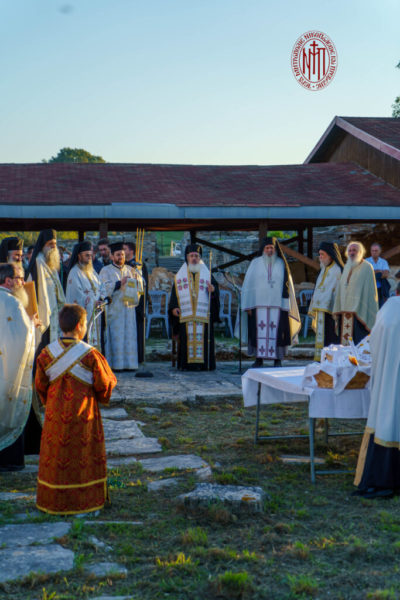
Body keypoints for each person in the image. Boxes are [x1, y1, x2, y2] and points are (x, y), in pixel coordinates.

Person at [35, 304, 116, 515]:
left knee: (56, 457)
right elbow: (105, 384)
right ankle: (86, 501)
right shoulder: (91, 355)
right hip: (84, 415)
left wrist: (50, 401)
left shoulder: (45, 354)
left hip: (55, 417)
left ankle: (53, 501)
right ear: (80, 326)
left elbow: (40, 386)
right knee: (83, 456)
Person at [354, 296, 400, 499]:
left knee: (387, 420)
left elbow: (373, 342)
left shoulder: (388, 308)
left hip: (387, 377)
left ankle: (382, 478)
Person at [25, 229, 65, 453]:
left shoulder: (50, 266)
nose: (53, 247)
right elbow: (35, 296)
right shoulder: (38, 265)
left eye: (55, 244)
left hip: (53, 323)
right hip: (43, 325)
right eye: (50, 244)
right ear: (42, 245)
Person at [239, 236, 301, 368]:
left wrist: (287, 304)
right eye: (267, 248)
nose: (269, 250)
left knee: (278, 333)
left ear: (275, 249)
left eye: (271, 248)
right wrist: (248, 305)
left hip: (278, 306)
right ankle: (259, 359)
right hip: (258, 306)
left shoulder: (282, 263)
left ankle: (277, 359)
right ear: (263, 249)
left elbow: (288, 285)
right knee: (257, 333)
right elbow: (248, 285)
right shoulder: (255, 263)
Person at [0, 263, 36, 471]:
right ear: (8, 281)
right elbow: (22, 339)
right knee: (9, 410)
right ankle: (10, 461)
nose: (23, 283)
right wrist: (32, 325)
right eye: (20, 279)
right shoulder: (13, 303)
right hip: (8, 372)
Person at [169, 243, 220, 371]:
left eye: (196, 256)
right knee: (186, 339)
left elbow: (215, 291)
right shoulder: (179, 276)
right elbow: (174, 294)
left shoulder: (207, 274)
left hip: (203, 315)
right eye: (191, 256)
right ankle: (186, 365)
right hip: (186, 315)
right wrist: (174, 308)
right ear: (187, 257)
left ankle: (204, 365)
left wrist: (213, 290)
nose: (194, 259)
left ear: (200, 257)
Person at [99, 241, 144, 371]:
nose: (121, 257)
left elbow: (141, 289)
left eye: (123, 255)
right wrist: (119, 283)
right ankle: (116, 365)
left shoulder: (131, 270)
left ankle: (130, 364)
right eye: (118, 255)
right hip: (115, 311)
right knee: (116, 337)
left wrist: (137, 280)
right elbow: (102, 289)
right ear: (112, 256)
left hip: (129, 310)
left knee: (129, 336)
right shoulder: (105, 271)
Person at [333, 241, 378, 345]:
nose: (352, 252)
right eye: (349, 250)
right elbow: (341, 288)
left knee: (358, 343)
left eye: (354, 250)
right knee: (345, 344)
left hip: (360, 312)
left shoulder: (367, 267)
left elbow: (369, 291)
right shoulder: (347, 267)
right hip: (344, 311)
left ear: (360, 252)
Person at [308, 242, 344, 360]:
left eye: (322, 254)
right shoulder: (323, 269)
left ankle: (331, 360)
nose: (320, 257)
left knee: (331, 337)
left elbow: (338, 292)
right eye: (319, 254)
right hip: (321, 311)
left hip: (332, 312)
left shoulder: (338, 270)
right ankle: (322, 359)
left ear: (330, 255)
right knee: (322, 337)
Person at [66, 241, 104, 349]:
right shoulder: (74, 273)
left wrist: (101, 299)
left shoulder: (92, 271)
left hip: (95, 315)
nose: (89, 258)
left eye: (91, 255)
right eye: (87, 255)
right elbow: (76, 296)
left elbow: (101, 287)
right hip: (83, 318)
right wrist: (93, 302)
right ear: (79, 256)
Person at [123, 240, 149, 364]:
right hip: (125, 304)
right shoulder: (123, 264)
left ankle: (138, 358)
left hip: (137, 304)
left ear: (131, 251)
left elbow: (144, 286)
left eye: (125, 249)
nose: (123, 252)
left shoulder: (139, 265)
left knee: (138, 332)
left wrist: (142, 305)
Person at [365, 243, 391, 308]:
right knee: (370, 307)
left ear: (380, 251)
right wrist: (380, 271)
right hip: (369, 288)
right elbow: (366, 274)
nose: (374, 252)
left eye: (376, 250)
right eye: (372, 250)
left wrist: (374, 272)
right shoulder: (366, 262)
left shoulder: (384, 262)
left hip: (380, 289)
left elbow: (386, 274)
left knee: (380, 307)